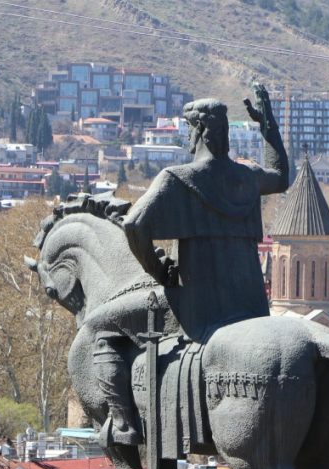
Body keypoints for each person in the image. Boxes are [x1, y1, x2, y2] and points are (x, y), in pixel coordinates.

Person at [123, 84, 290, 342]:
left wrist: (160, 272)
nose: (188, 135)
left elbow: (133, 225)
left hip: (200, 319)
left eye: (189, 128)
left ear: (199, 129)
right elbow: (280, 177)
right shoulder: (249, 176)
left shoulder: (176, 179)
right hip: (252, 312)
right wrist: (267, 125)